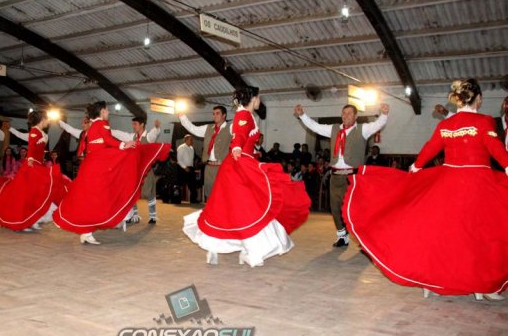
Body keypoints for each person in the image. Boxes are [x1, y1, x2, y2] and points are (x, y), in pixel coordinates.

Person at [344, 79, 508, 301]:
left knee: (443, 233)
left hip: (448, 183)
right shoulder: (484, 121)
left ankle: (432, 281)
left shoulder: (446, 125)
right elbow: (495, 148)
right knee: (481, 234)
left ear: (458, 100)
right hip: (477, 184)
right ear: (478, 98)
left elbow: (431, 147)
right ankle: (483, 285)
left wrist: (416, 167)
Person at [183, 87, 311, 267]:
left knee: (232, 209)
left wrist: (249, 150)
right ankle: (247, 251)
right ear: (253, 98)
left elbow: (243, 135)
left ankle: (220, 249)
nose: (260, 100)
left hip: (239, 165)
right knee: (249, 208)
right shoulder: (245, 115)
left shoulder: (245, 114)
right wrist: (237, 147)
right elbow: (240, 134)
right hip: (240, 166)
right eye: (259, 97)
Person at [52, 102, 170, 245]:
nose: (108, 112)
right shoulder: (102, 123)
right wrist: (123, 145)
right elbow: (108, 140)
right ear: (102, 111)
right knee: (108, 192)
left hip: (89, 167)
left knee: (91, 199)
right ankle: (112, 221)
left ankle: (87, 231)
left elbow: (100, 144)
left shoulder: (92, 126)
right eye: (107, 110)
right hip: (100, 167)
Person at [294, 102, 389, 247]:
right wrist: (302, 115)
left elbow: (378, 125)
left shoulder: (363, 129)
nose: (346, 116)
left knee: (355, 209)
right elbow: (315, 126)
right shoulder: (334, 129)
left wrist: (384, 114)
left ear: (355, 116)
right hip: (335, 176)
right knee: (335, 207)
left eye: (349, 113)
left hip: (352, 177)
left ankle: (363, 236)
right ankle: (342, 235)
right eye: (344, 113)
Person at [0, 110, 69, 231]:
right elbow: (31, 146)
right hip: (31, 167)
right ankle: (22, 220)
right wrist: (30, 158)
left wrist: (11, 129)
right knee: (27, 195)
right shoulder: (35, 131)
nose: (49, 121)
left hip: (38, 166)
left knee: (35, 194)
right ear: (42, 119)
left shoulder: (39, 132)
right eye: (47, 119)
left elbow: (23, 136)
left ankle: (31, 219)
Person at [112, 117, 162, 224]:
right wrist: (107, 130)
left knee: (149, 192)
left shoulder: (148, 137)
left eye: (135, 124)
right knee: (132, 192)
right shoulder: (132, 137)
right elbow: (119, 134)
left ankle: (153, 216)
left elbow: (153, 135)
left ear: (142, 124)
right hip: (134, 170)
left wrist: (157, 128)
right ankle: (134, 215)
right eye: (133, 124)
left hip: (146, 170)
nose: (133, 126)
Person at [179, 106, 232, 201]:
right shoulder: (208, 128)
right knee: (210, 194)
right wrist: (182, 117)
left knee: (223, 194)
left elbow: (242, 132)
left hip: (222, 167)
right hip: (208, 167)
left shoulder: (230, 127)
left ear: (224, 115)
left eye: (217, 113)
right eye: (213, 114)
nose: (215, 116)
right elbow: (193, 129)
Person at [176, 134, 197, 203]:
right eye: (191, 140)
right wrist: (185, 167)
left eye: (192, 140)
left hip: (190, 168)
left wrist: (191, 167)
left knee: (193, 185)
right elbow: (179, 160)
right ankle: (177, 199)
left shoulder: (192, 148)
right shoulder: (181, 147)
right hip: (182, 168)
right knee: (180, 185)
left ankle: (193, 200)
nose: (192, 141)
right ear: (186, 140)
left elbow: (191, 159)